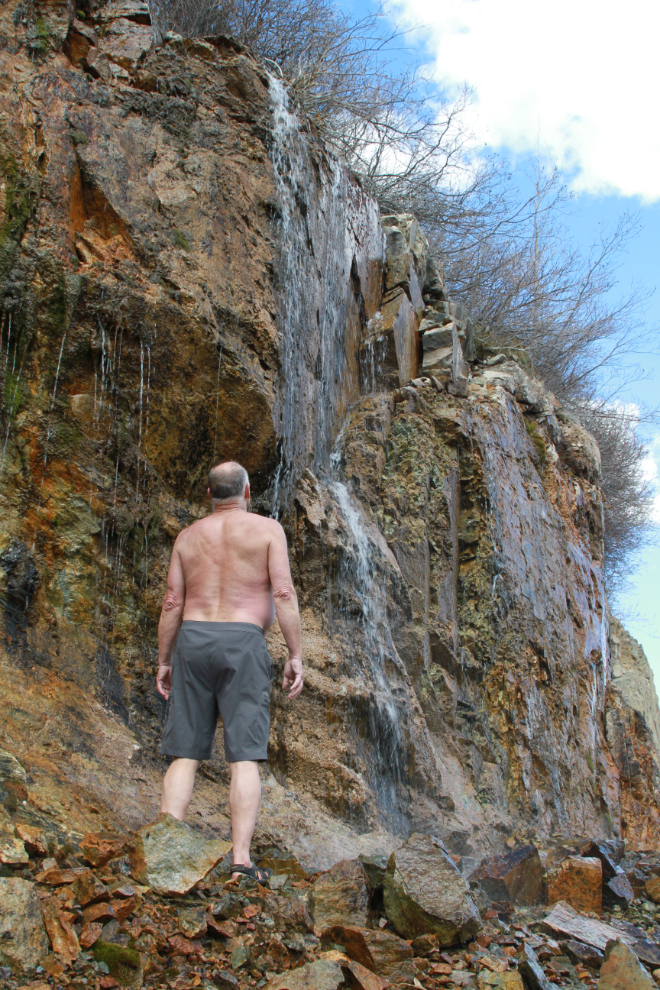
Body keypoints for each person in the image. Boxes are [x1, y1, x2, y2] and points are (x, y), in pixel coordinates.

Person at [156, 460, 304, 881]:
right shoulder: (267, 530)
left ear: (208, 495)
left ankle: (165, 849)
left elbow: (172, 603)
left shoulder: (187, 537)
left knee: (184, 752)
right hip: (243, 642)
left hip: (193, 639)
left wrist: (165, 660)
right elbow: (283, 591)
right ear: (247, 491)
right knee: (244, 757)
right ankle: (241, 861)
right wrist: (295, 654)